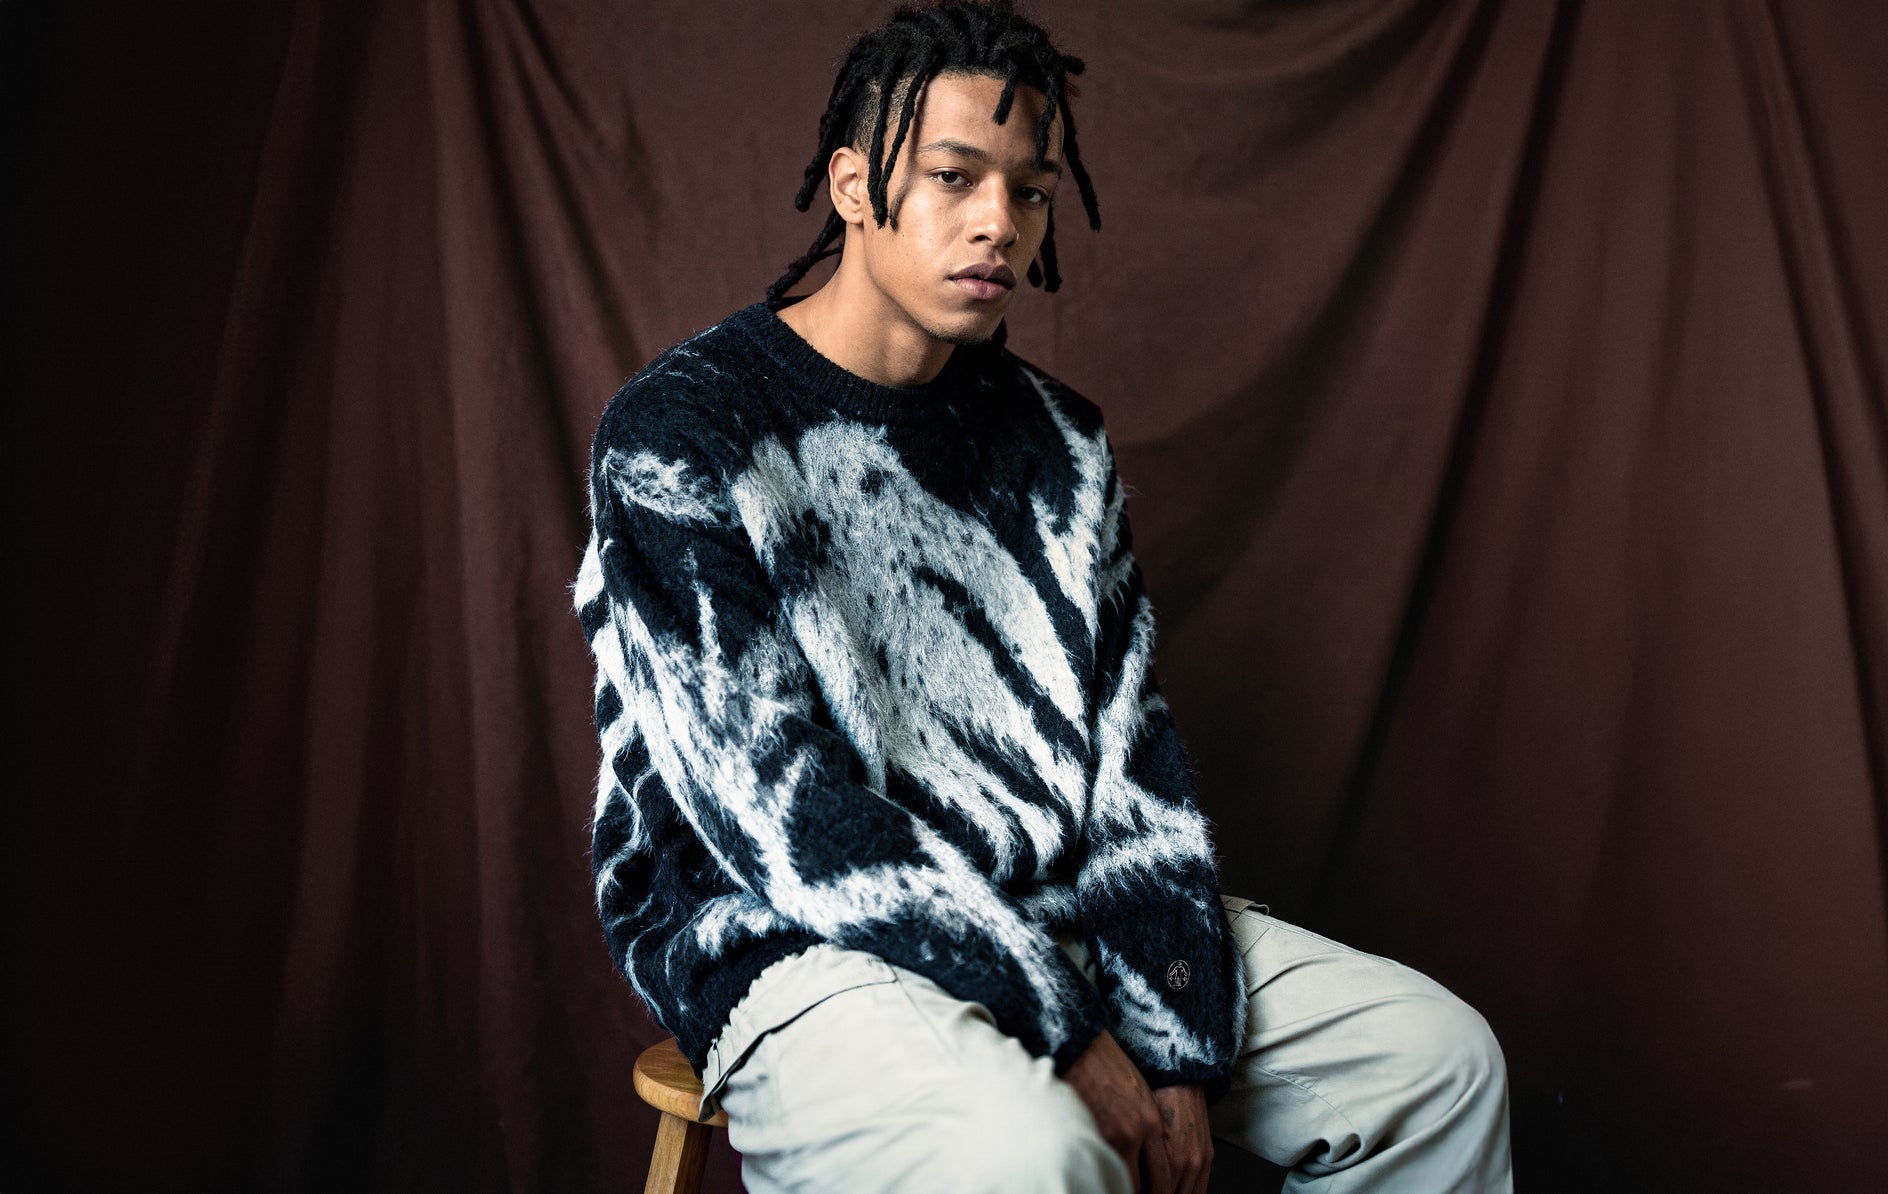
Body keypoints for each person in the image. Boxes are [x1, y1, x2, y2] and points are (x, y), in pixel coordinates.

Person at [573, 2, 1512, 1190]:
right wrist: (1062, 1026)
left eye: (1029, 189)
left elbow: (1129, 763)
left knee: (1437, 1064)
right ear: (853, 187)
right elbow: (776, 811)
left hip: (1056, 906)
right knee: (1027, 1154)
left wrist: (1169, 1035)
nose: (997, 222)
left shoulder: (1058, 443)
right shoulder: (679, 435)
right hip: (793, 933)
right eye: (953, 176)